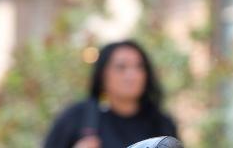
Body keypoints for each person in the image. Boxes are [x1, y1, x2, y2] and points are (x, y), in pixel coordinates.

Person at [44, 40, 178, 148]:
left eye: (139, 67)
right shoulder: (76, 118)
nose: (132, 75)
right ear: (102, 75)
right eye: (121, 67)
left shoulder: (160, 122)